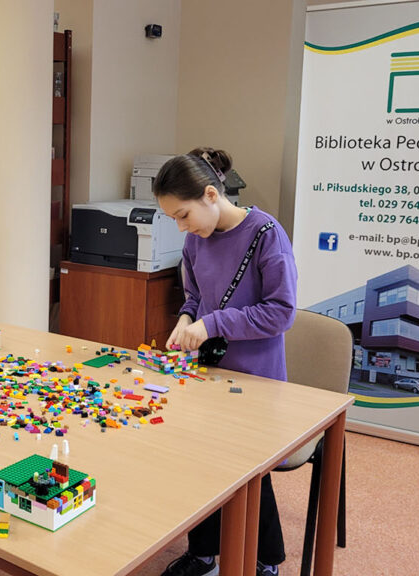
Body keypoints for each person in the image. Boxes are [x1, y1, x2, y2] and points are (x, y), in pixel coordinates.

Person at [155, 148, 297, 576]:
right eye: (174, 220)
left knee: (249, 470)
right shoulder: (195, 240)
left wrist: (212, 323)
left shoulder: (267, 234)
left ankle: (265, 561)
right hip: (209, 372)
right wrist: (186, 319)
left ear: (211, 195)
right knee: (200, 460)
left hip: (257, 378)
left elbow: (281, 312)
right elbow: (196, 297)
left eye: (183, 215)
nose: (182, 227)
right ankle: (203, 554)